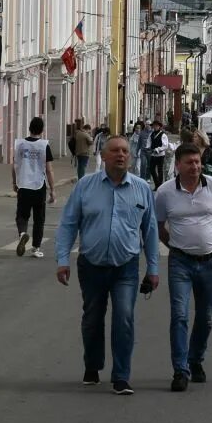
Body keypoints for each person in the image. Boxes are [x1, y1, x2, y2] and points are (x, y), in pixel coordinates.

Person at [54, 134, 159, 395]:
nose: (121, 155)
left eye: (125, 151)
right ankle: (92, 365)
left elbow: (150, 230)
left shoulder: (141, 188)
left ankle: (121, 376)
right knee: (92, 318)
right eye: (115, 151)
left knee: (124, 317)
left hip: (126, 266)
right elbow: (68, 223)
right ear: (103, 155)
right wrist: (62, 259)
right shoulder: (86, 186)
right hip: (91, 265)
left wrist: (153, 268)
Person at [155, 142, 212, 393]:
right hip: (180, 261)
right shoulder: (165, 192)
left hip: (211, 261)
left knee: (206, 317)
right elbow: (159, 227)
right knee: (179, 315)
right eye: (189, 163)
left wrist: (210, 235)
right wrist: (178, 244)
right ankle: (180, 370)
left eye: (198, 162)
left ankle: (196, 359)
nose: (195, 167)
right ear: (177, 165)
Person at [12, 116, 55, 258]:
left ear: (29, 128)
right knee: (39, 218)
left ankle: (23, 233)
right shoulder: (44, 146)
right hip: (39, 186)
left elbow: (15, 166)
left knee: (22, 215)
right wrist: (52, 190)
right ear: (41, 130)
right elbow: (49, 170)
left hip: (23, 185)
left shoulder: (20, 144)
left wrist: (14, 183)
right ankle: (36, 248)